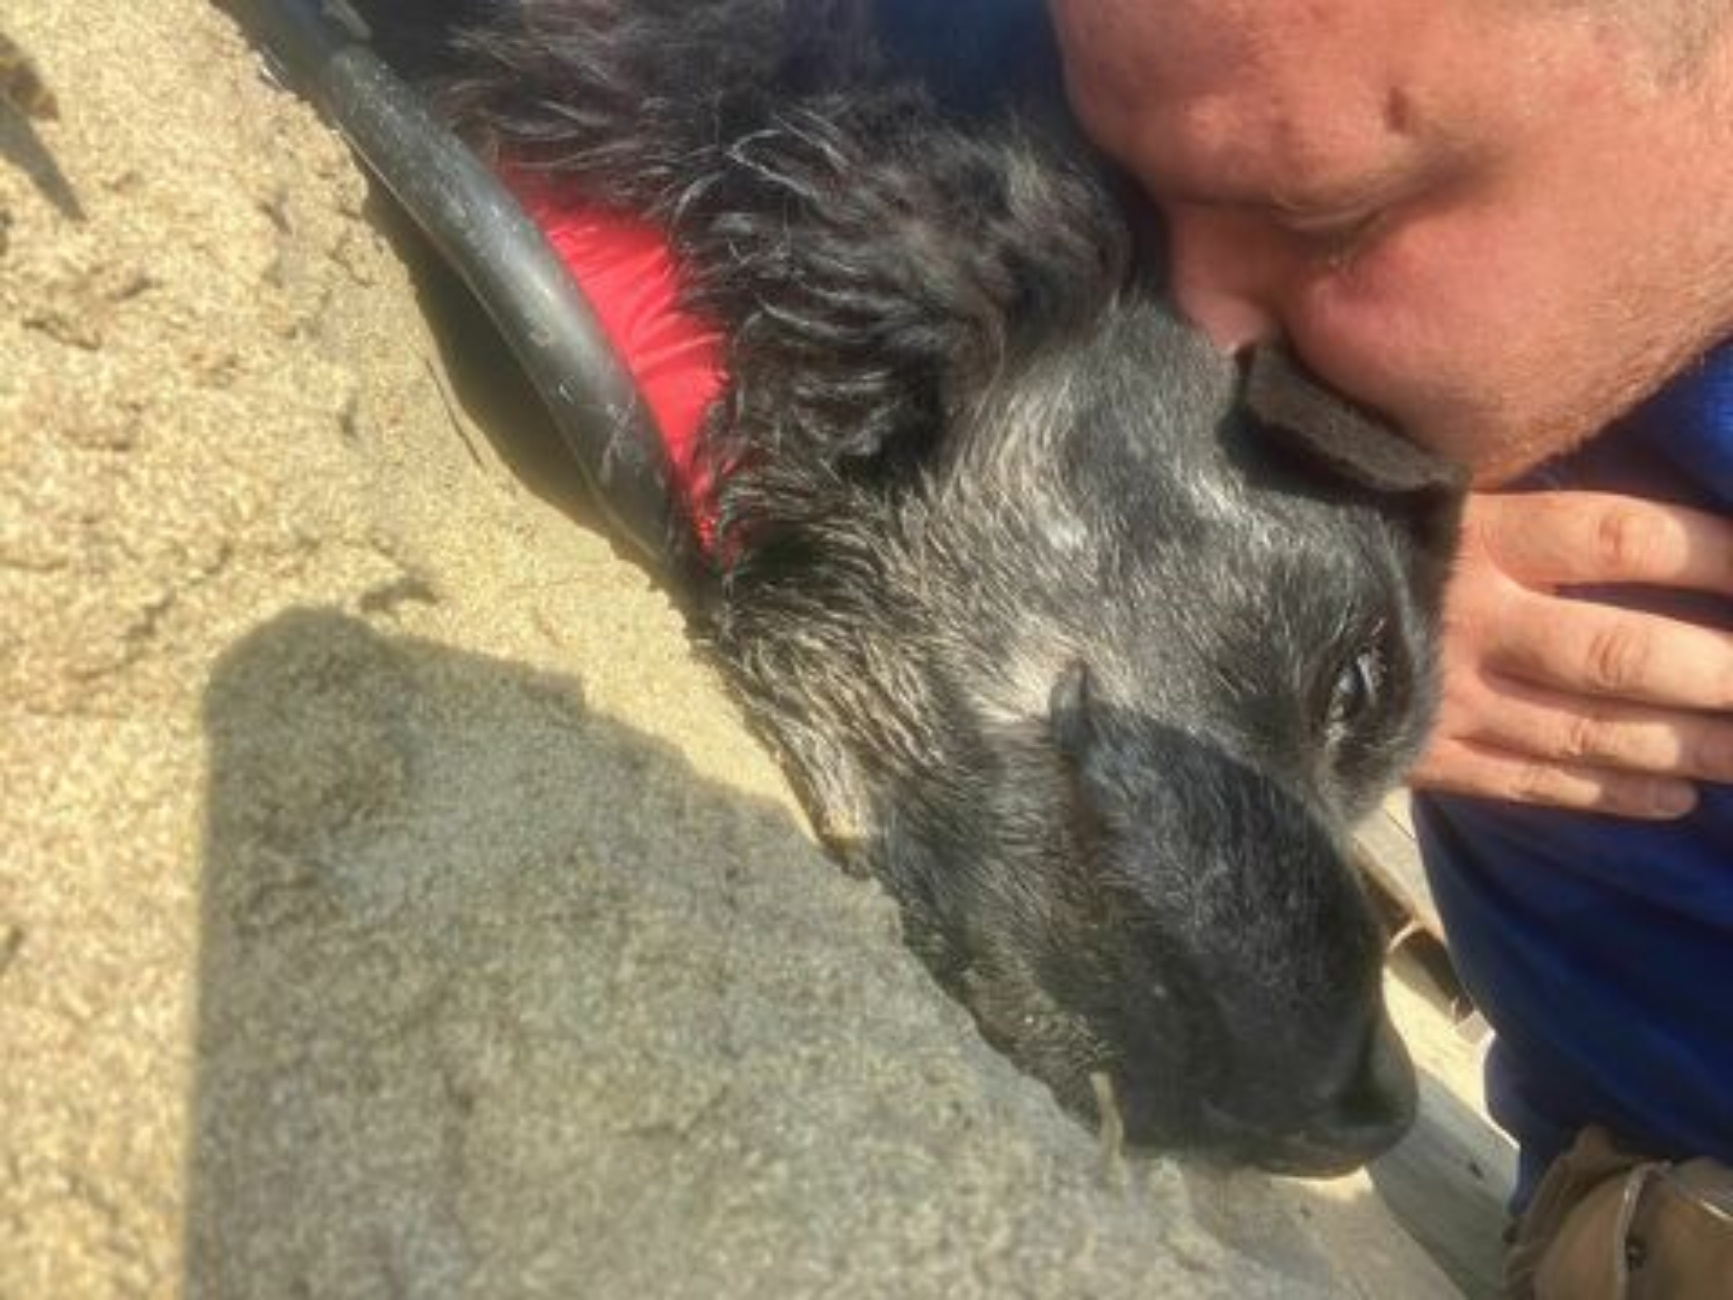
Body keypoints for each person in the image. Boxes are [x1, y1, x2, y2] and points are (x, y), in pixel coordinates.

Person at [1045, 0, 1733, 1287]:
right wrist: (1316, 558)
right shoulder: (1207, 79)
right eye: (1134, 197)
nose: (1197, 354)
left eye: (1328, 224)